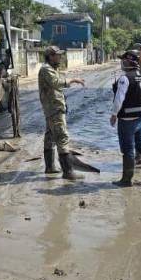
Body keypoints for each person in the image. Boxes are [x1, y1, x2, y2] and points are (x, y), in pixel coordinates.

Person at [110, 50, 141, 187]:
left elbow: (119, 99)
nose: (121, 63)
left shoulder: (125, 79)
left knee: (128, 149)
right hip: (140, 118)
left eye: (123, 60)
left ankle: (126, 180)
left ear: (128, 61)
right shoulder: (140, 76)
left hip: (127, 121)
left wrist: (114, 114)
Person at [39, 46, 86, 180]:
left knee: (50, 136)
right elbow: (56, 82)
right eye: (57, 55)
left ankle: (50, 167)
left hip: (52, 108)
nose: (60, 57)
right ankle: (68, 172)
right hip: (54, 109)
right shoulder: (46, 69)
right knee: (62, 136)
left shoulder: (51, 69)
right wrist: (73, 80)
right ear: (51, 56)